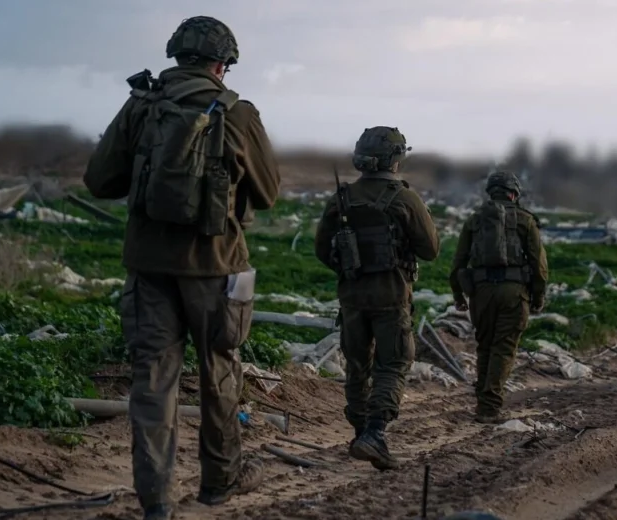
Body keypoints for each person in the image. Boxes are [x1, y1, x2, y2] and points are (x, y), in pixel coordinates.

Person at [83, 15, 281, 520]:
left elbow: (100, 180)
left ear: (175, 55)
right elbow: (269, 192)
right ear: (223, 64)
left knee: (151, 383)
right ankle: (219, 483)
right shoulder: (239, 112)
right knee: (219, 375)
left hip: (149, 269)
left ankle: (157, 500)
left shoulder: (142, 104)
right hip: (216, 268)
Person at [314, 126, 440, 470]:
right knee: (394, 362)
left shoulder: (341, 198)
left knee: (357, 366)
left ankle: (360, 433)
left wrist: (350, 271)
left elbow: (322, 249)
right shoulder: (404, 198)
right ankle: (375, 433)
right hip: (391, 295)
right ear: (395, 159)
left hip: (352, 297)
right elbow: (430, 250)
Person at [449, 171, 548, 423]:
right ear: (513, 194)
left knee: (485, 345)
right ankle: (489, 408)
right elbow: (539, 265)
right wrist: (538, 297)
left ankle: (483, 400)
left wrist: (458, 295)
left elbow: (458, 262)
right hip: (514, 293)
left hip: (480, 293)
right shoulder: (526, 220)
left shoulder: (474, 220)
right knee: (503, 348)